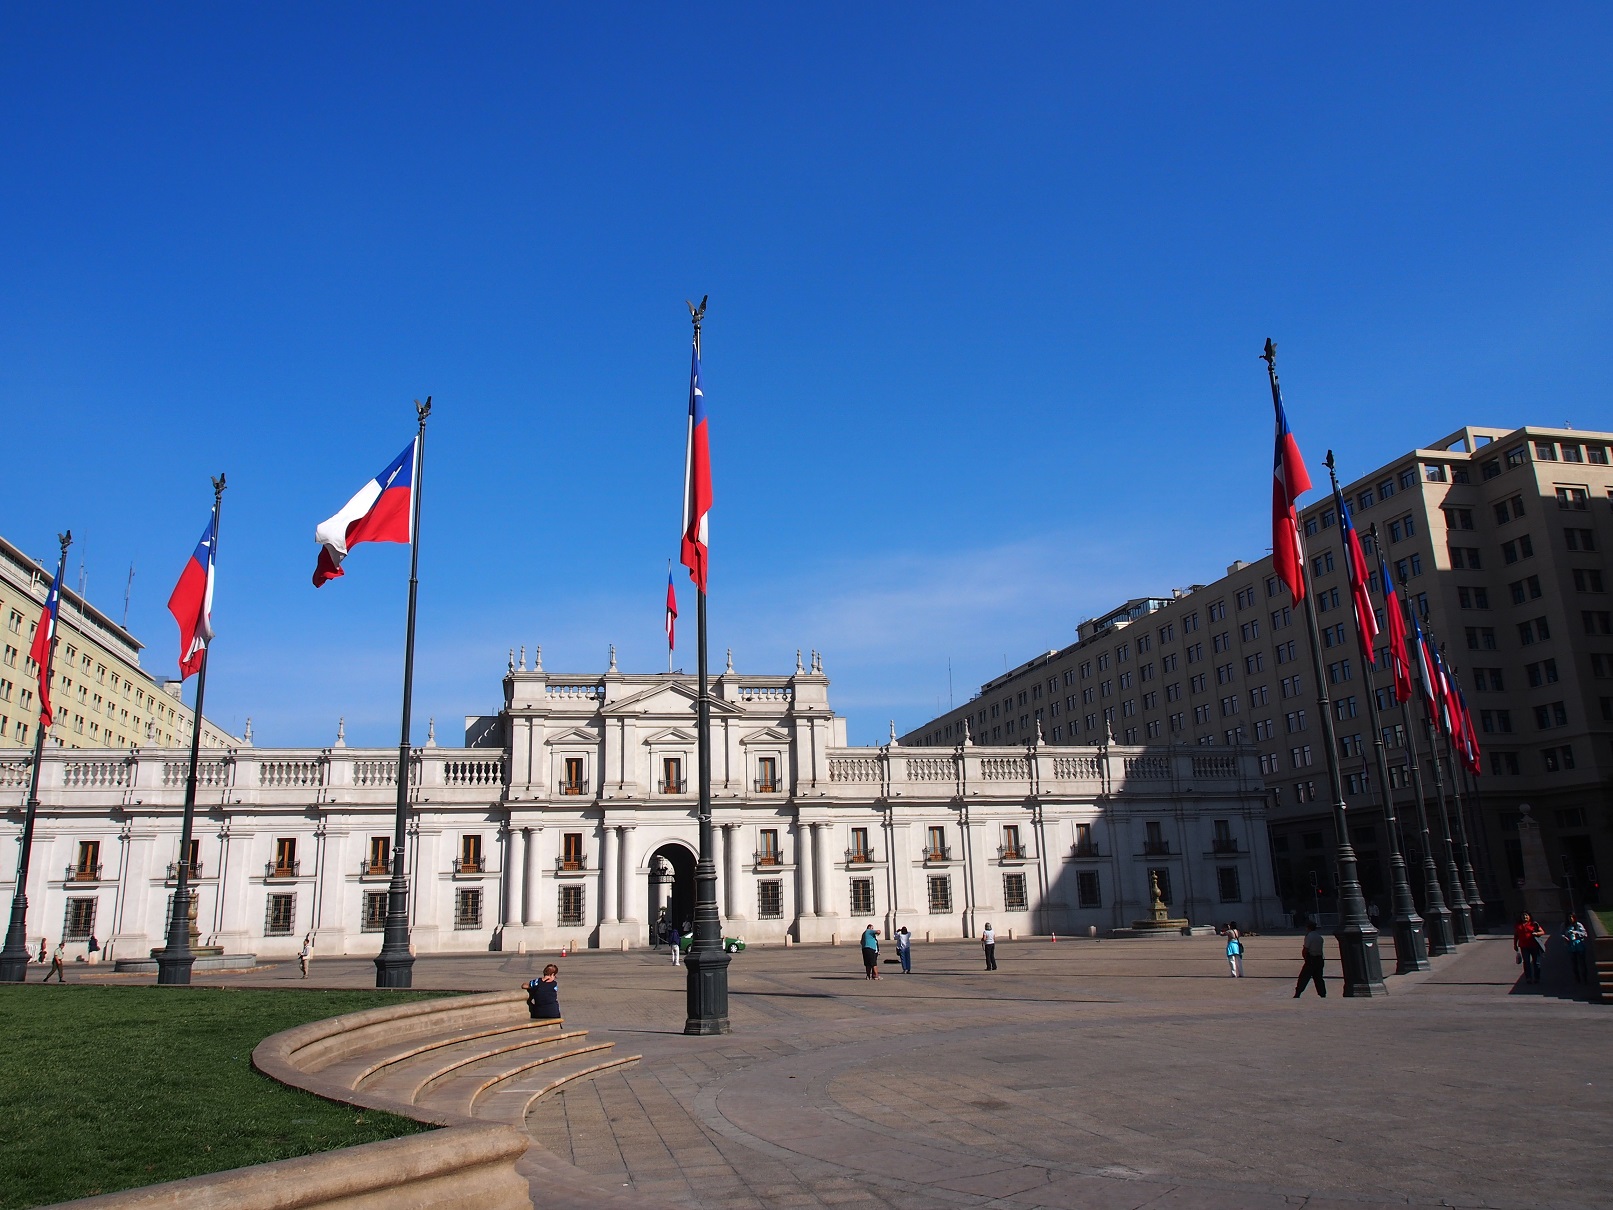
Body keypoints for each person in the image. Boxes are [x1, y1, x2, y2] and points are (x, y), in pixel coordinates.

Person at [1294, 921, 1326, 998]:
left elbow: (1306, 949)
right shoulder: (1319, 937)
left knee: (1304, 977)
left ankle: (1298, 993)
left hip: (1311, 959)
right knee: (1318, 978)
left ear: (1308, 928)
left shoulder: (1309, 936)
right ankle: (1322, 993)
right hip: (1320, 959)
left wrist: (1305, 958)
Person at [1514, 912, 1546, 985]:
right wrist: (1515, 945)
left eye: (1526, 915)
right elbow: (1516, 935)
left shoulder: (1533, 924)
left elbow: (1542, 932)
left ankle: (1537, 978)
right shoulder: (1518, 926)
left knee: (1536, 962)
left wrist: (1536, 933)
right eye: (1523, 915)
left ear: (1529, 916)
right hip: (1524, 946)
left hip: (1534, 946)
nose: (1525, 917)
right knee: (1526, 963)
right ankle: (1528, 978)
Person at [1564, 914, 1590, 985]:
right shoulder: (1565, 926)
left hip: (1579, 945)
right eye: (1569, 917)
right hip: (1571, 946)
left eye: (1572, 917)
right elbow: (1561, 933)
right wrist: (1564, 937)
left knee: (1582, 963)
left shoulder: (1578, 925)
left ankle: (1585, 978)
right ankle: (1577, 978)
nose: (1570, 919)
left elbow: (1585, 934)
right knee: (1574, 964)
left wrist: (1576, 932)